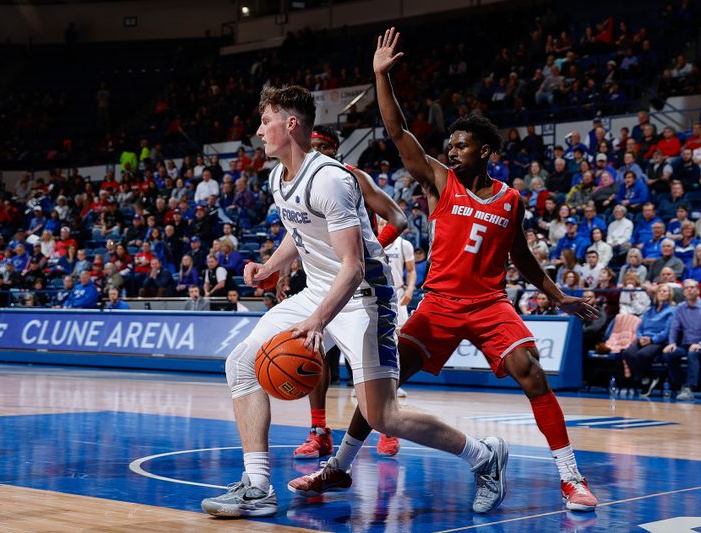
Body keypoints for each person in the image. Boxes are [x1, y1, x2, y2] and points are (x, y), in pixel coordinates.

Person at [289, 29, 600, 514]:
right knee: (378, 389)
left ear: (486, 152)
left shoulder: (510, 199)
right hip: (438, 305)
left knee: (532, 375)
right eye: (450, 144)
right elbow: (398, 133)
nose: (452, 151)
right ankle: (340, 467)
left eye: (462, 146)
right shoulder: (441, 182)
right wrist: (380, 77)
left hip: (489, 304)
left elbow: (521, 255)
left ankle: (570, 479)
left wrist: (559, 297)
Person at [201, 82, 510, 518]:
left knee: (382, 416)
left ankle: (483, 455)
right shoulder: (277, 177)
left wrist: (317, 321)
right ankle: (257, 486)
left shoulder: (331, 178)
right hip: (319, 291)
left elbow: (353, 267)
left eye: (266, 120)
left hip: (365, 299)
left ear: (291, 124)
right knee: (241, 364)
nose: (259, 129)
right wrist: (271, 267)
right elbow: (300, 229)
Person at [661, 279, 701, 401]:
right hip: (686, 344)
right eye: (687, 288)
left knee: (693, 353)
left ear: (698, 290)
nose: (689, 290)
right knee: (669, 354)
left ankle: (689, 388)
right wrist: (672, 343)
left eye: (692, 287)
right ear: (684, 292)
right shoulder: (680, 308)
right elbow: (674, 327)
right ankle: (679, 384)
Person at [621, 283, 676, 396]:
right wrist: (640, 337)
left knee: (642, 355)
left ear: (670, 295)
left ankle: (646, 380)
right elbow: (640, 327)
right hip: (644, 339)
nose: (662, 293)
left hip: (658, 341)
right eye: (660, 290)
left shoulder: (672, 311)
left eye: (665, 291)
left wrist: (652, 340)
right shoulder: (649, 310)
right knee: (627, 353)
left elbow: (667, 331)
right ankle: (646, 378)